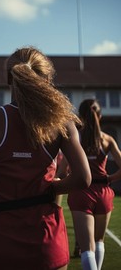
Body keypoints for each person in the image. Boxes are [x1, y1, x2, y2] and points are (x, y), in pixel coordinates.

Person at [0, 46, 91, 270]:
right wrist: (53, 188)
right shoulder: (62, 123)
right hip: (45, 238)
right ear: (47, 79)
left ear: (9, 78)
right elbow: (84, 178)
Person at [67, 98, 121, 270]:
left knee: (86, 249)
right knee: (99, 242)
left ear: (80, 116)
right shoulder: (107, 140)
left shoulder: (75, 139)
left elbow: (62, 171)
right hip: (103, 192)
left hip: (81, 192)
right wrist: (110, 179)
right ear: (100, 115)